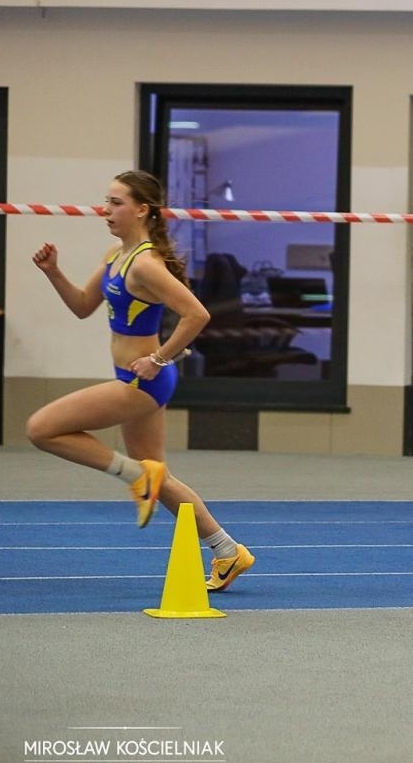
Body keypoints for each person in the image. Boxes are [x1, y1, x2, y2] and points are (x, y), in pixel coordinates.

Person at [25, 171, 254, 592]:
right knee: (160, 477)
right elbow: (81, 306)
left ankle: (131, 473)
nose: (105, 210)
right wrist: (53, 272)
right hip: (134, 378)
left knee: (41, 428)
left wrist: (158, 358)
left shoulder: (146, 264)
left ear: (142, 210)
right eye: (106, 201)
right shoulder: (117, 254)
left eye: (115, 203)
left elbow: (197, 314)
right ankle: (227, 551)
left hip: (142, 383)